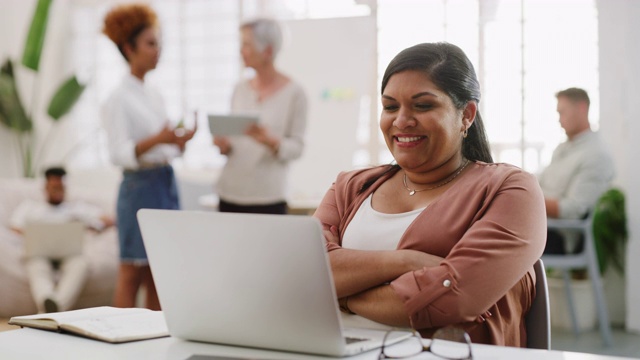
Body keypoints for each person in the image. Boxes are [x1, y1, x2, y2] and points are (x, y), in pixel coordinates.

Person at [313, 42, 547, 347]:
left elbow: (454, 301)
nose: (401, 120)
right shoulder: (350, 186)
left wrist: (338, 293)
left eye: (423, 106)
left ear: (467, 115)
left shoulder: (510, 190)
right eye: (390, 106)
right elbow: (302, 270)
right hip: (333, 350)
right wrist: (406, 262)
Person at [101, 3, 196, 310]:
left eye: (159, 44)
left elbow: (161, 147)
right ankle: (118, 343)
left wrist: (178, 143)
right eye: (151, 44)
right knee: (132, 272)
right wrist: (160, 138)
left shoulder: (154, 94)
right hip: (138, 187)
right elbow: (118, 153)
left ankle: (154, 343)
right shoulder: (117, 99)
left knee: (161, 272)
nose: (158, 51)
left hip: (164, 183)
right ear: (129, 48)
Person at [213, 18, 307, 215]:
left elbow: (297, 148)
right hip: (230, 193)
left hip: (269, 198)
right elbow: (234, 142)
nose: (241, 51)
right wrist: (224, 145)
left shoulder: (295, 93)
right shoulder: (239, 89)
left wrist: (273, 142)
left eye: (246, 45)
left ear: (268, 51)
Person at [10, 167, 114, 313]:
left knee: (81, 264)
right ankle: (49, 302)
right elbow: (14, 227)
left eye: (61, 187)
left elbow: (108, 220)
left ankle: (53, 307)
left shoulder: (76, 208)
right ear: (46, 187)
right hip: (40, 252)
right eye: (54, 187)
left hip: (70, 254)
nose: (58, 191)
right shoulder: (31, 207)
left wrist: (88, 225)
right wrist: (33, 233)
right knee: (36, 266)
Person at [538, 88, 615, 254]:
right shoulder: (563, 148)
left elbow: (573, 210)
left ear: (581, 108)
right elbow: (539, 180)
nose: (559, 120)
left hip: (558, 234)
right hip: (539, 224)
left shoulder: (596, 154)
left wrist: (529, 200)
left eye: (562, 113)